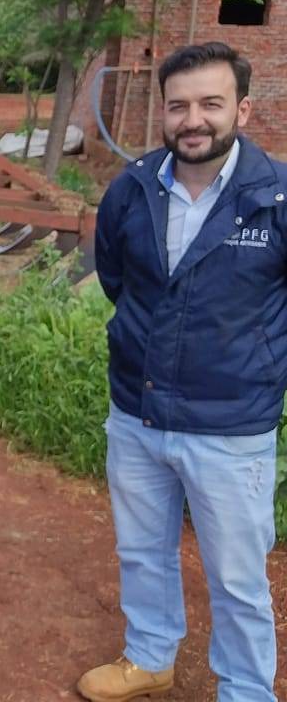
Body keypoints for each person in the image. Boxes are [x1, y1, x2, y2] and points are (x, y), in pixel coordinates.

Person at [79, 42, 282, 702]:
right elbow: (119, 279)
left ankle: (247, 691)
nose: (194, 119)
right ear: (162, 113)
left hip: (231, 428)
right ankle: (149, 656)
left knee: (237, 575)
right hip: (136, 413)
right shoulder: (133, 189)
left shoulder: (275, 198)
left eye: (210, 104)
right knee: (142, 550)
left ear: (242, 110)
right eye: (179, 106)